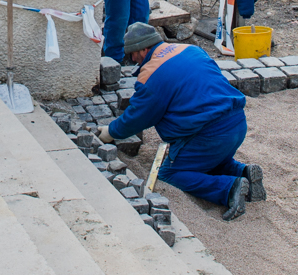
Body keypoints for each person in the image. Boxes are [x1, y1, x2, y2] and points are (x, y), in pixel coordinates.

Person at [103, 22, 262, 221]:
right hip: (237, 123)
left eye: (133, 53)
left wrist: (110, 131)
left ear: (144, 48)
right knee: (204, 160)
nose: (133, 59)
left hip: (209, 135)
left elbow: (137, 118)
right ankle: (244, 172)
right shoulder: (191, 50)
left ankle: (228, 188)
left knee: (171, 172)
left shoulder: (152, 75)